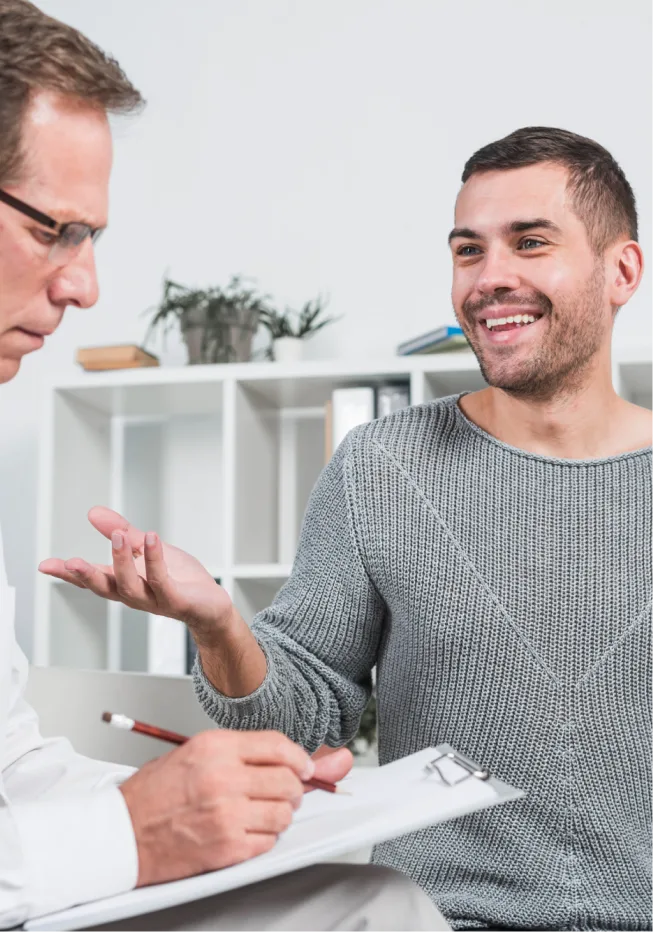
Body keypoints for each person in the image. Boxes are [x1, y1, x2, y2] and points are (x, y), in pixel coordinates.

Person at [45, 122, 653, 932]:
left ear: (622, 270)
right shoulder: (382, 466)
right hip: (432, 920)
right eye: (467, 251)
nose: (488, 278)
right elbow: (301, 727)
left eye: (529, 242)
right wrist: (219, 622)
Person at [0, 2, 443, 930]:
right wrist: (131, 831)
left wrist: (216, 799)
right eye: (55, 231)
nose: (84, 287)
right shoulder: (376, 465)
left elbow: (14, 774)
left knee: (381, 904)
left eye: (93, 240)